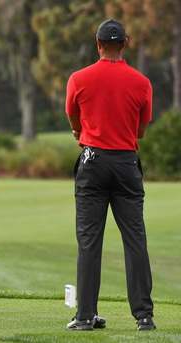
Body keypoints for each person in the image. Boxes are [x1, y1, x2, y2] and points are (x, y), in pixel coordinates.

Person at [64, 19, 155, 331]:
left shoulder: (79, 78)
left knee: (89, 241)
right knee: (135, 240)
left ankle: (85, 316)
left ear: (97, 43)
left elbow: (73, 118)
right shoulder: (142, 82)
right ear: (125, 43)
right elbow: (141, 130)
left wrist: (82, 132)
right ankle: (144, 316)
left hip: (92, 162)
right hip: (127, 164)